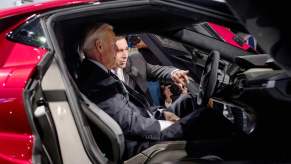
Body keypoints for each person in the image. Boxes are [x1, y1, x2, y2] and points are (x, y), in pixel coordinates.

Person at [78, 23, 236, 159]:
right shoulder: (97, 80)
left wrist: (162, 113)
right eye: (114, 46)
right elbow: (129, 123)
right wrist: (164, 124)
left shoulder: (99, 73)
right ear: (99, 46)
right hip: (142, 143)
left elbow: (133, 107)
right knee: (206, 115)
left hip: (145, 121)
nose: (121, 53)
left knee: (188, 101)